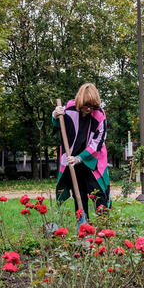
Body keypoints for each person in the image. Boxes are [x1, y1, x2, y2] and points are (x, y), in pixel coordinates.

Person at [52, 83, 111, 224]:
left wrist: (81, 158)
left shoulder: (100, 115)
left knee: (99, 193)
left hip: (92, 161)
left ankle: (103, 228)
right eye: (85, 107)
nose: (88, 110)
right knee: (79, 194)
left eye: (92, 107)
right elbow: (57, 124)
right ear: (79, 102)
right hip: (72, 160)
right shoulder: (69, 108)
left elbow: (98, 142)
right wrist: (55, 115)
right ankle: (83, 228)